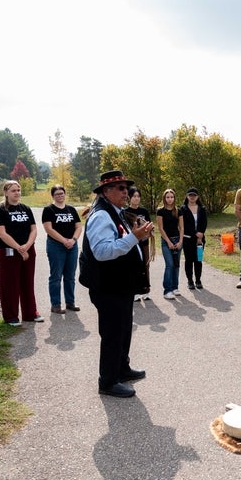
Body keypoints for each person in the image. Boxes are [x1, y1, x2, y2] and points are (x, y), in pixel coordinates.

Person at [79, 170, 154, 398]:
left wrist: (137, 232)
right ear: (106, 191)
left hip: (120, 284)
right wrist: (135, 237)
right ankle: (108, 381)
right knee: (112, 333)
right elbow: (102, 252)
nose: (126, 192)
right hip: (107, 285)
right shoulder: (101, 216)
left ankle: (121, 368)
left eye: (126, 188)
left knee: (123, 330)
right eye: (120, 188)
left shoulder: (117, 211)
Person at [0, 180, 42, 326]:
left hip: (28, 250)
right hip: (9, 251)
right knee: (10, 284)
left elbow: (34, 229)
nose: (17, 193)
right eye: (13, 190)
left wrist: (27, 246)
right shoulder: (0, 209)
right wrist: (19, 248)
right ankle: (11, 316)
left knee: (28, 282)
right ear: (6, 192)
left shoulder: (26, 208)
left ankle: (30, 313)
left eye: (18, 190)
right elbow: (1, 233)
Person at [41, 184, 82, 314]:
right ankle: (56, 304)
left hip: (72, 245)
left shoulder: (71, 209)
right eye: (57, 194)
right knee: (56, 276)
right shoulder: (49, 210)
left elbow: (79, 227)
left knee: (70, 276)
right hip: (56, 246)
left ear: (65, 194)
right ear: (53, 196)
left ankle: (70, 302)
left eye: (62, 193)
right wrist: (64, 240)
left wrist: (73, 240)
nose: (60, 196)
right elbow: (48, 228)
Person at [125, 187, 155, 301]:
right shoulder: (125, 212)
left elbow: (149, 225)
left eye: (138, 196)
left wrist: (150, 231)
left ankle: (146, 289)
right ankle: (135, 291)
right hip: (133, 244)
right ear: (129, 198)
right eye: (134, 196)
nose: (136, 199)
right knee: (134, 266)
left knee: (146, 265)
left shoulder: (144, 211)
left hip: (144, 242)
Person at [156, 189, 183, 300]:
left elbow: (181, 227)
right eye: (168, 197)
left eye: (172, 197)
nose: (170, 199)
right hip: (166, 241)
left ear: (174, 198)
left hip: (177, 240)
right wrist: (168, 242)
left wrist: (180, 241)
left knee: (176, 265)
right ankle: (167, 290)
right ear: (164, 198)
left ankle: (174, 287)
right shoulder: (160, 211)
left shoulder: (178, 211)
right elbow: (161, 228)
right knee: (169, 265)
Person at [180, 188, 208, 290]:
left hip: (200, 240)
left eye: (194, 195)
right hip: (188, 239)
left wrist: (201, 233)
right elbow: (184, 225)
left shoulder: (202, 208)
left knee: (198, 260)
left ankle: (198, 280)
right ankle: (190, 281)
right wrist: (196, 233)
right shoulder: (183, 209)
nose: (192, 197)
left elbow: (204, 222)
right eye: (190, 195)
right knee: (189, 260)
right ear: (187, 196)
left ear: (197, 197)